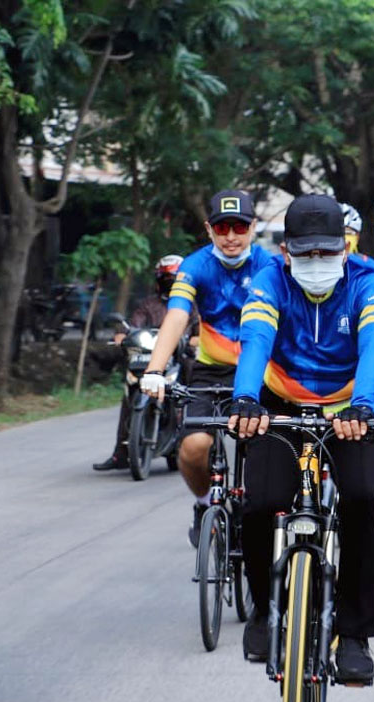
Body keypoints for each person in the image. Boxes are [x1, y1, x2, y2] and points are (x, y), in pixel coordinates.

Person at [227, 193, 374, 683]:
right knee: (260, 504)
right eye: (306, 253)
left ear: (346, 247)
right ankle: (265, 610)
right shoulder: (268, 281)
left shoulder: (368, 281)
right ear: (286, 252)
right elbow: (255, 340)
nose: (317, 261)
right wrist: (245, 399)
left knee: (363, 500)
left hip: (351, 409)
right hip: (279, 406)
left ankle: (356, 635)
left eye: (328, 251)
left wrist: (363, 405)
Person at [139, 190, 279, 545]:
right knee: (193, 448)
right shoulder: (195, 265)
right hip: (211, 371)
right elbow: (177, 315)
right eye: (222, 228)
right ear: (209, 229)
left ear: (253, 227)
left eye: (239, 227)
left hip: (262, 373)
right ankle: (204, 503)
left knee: (267, 458)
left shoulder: (269, 265)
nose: (231, 236)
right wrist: (154, 370)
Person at [92, 254, 198, 471]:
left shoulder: (192, 305)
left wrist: (192, 340)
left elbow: (200, 332)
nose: (169, 284)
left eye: (173, 280)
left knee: (194, 386)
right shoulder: (148, 304)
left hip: (180, 358)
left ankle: (189, 441)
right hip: (150, 359)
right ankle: (121, 453)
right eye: (165, 279)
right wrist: (122, 335)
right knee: (130, 391)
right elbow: (133, 325)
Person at [340, 202, 374, 276]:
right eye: (336, 233)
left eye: (348, 232)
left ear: (357, 237)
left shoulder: (370, 268)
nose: (343, 238)